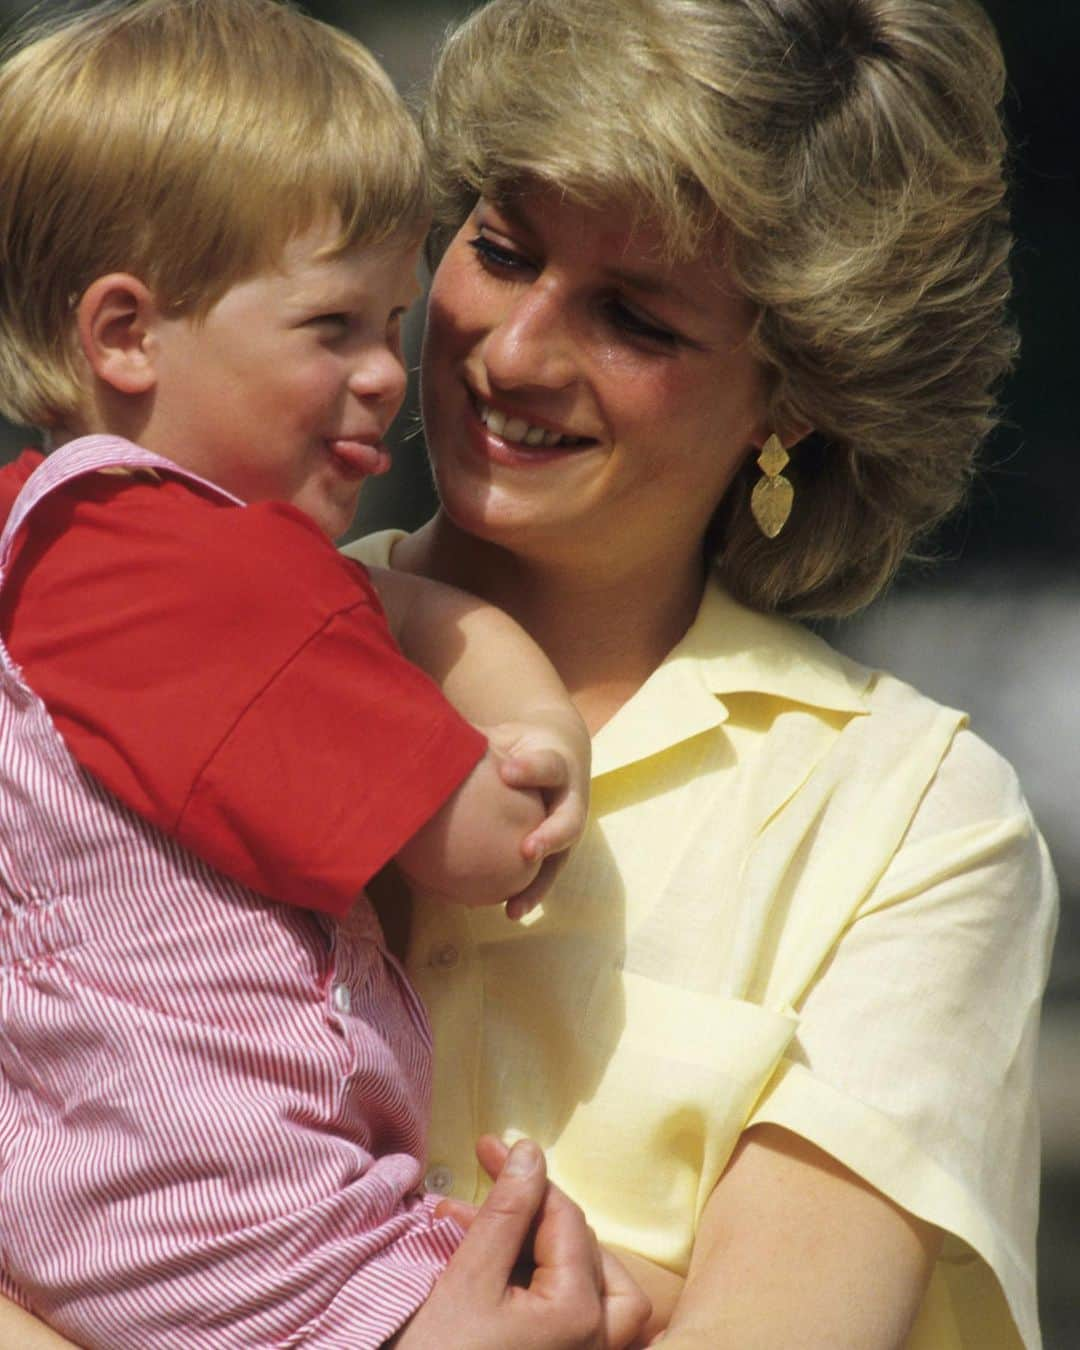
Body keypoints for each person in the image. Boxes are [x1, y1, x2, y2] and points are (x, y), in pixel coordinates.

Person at [336, 1, 1055, 1347]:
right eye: (501, 248)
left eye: (635, 318)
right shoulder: (148, 656)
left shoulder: (914, 819)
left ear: (799, 393)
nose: (513, 349)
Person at [0, 2, 649, 1347]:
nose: (381, 377)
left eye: (395, 320)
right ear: (126, 333)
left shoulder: (50, 548)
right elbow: (481, 839)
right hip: (256, 1257)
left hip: (80, 1231)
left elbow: (384, 598)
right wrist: (534, 745)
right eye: (331, 323)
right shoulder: (231, 587)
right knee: (607, 1310)